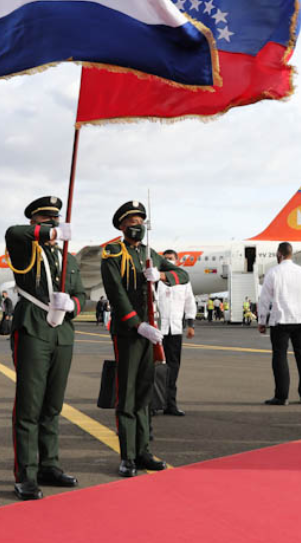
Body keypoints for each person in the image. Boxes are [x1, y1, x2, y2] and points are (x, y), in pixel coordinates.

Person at [5, 196, 88, 499]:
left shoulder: (69, 257)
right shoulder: (25, 248)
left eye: (55, 219)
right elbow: (13, 233)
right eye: (44, 220)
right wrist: (49, 234)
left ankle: (48, 464)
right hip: (33, 329)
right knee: (29, 406)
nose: (51, 223)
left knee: (52, 405)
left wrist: (73, 305)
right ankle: (25, 473)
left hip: (62, 333)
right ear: (34, 222)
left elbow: (81, 293)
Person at [101, 201, 189, 477]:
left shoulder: (149, 253)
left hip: (150, 332)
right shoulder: (113, 252)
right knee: (126, 396)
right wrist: (137, 325)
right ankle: (127, 456)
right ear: (122, 226)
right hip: (129, 332)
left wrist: (161, 274)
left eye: (141, 221)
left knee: (144, 394)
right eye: (132, 222)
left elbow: (183, 275)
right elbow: (116, 293)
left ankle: (143, 451)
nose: (137, 226)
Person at [257, 242, 301, 406]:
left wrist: (262, 320)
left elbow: (264, 299)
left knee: (280, 357)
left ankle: (282, 396)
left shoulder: (273, 273)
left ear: (279, 254)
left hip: (281, 320)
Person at [155, 249, 196, 416]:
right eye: (165, 259)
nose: (168, 261)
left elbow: (189, 303)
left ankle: (170, 404)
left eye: (171, 259)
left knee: (173, 368)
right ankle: (153, 403)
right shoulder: (156, 281)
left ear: (177, 261)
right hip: (158, 331)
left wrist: (191, 324)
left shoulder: (184, 282)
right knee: (156, 367)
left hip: (175, 330)